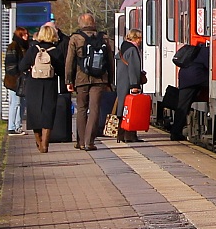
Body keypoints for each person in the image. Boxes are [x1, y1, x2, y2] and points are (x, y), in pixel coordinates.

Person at [65, 12, 113, 151]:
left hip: (81, 79)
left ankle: (80, 141)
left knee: (81, 109)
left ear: (81, 23)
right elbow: (110, 61)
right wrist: (110, 80)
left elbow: (70, 61)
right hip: (100, 79)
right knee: (94, 109)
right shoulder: (103, 37)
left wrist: (68, 80)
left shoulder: (75, 38)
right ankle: (89, 142)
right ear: (93, 23)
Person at [18, 24, 66, 153]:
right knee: (48, 113)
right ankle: (45, 144)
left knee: (34, 113)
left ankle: (38, 142)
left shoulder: (33, 49)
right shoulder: (56, 51)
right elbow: (62, 71)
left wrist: (30, 70)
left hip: (33, 84)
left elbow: (22, 66)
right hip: (50, 84)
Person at [170, 41, 209, 142]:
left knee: (182, 106)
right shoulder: (205, 51)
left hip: (184, 78)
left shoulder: (192, 50)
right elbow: (210, 65)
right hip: (196, 78)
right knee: (182, 107)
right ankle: (175, 133)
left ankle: (176, 132)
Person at [115, 29, 145, 142]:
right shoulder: (132, 49)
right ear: (135, 38)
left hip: (122, 80)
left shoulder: (124, 47)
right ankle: (129, 135)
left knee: (124, 107)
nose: (140, 41)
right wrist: (134, 85)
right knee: (131, 108)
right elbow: (133, 68)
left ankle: (121, 134)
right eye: (139, 38)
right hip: (129, 82)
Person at [3, 26, 30, 135]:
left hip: (22, 80)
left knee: (22, 103)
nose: (27, 36)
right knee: (15, 103)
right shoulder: (13, 47)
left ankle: (18, 126)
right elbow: (10, 65)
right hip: (15, 81)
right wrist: (18, 74)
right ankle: (12, 126)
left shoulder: (24, 46)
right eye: (24, 34)